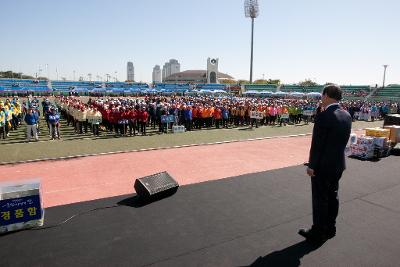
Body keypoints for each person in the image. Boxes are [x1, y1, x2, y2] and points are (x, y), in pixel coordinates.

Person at [299, 84, 352, 243]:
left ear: (327, 95)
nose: (321, 98)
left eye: (322, 95)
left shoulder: (325, 116)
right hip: (338, 164)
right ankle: (330, 227)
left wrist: (312, 165)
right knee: (332, 196)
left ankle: (318, 232)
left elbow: (317, 144)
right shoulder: (346, 115)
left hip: (322, 166)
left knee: (320, 199)